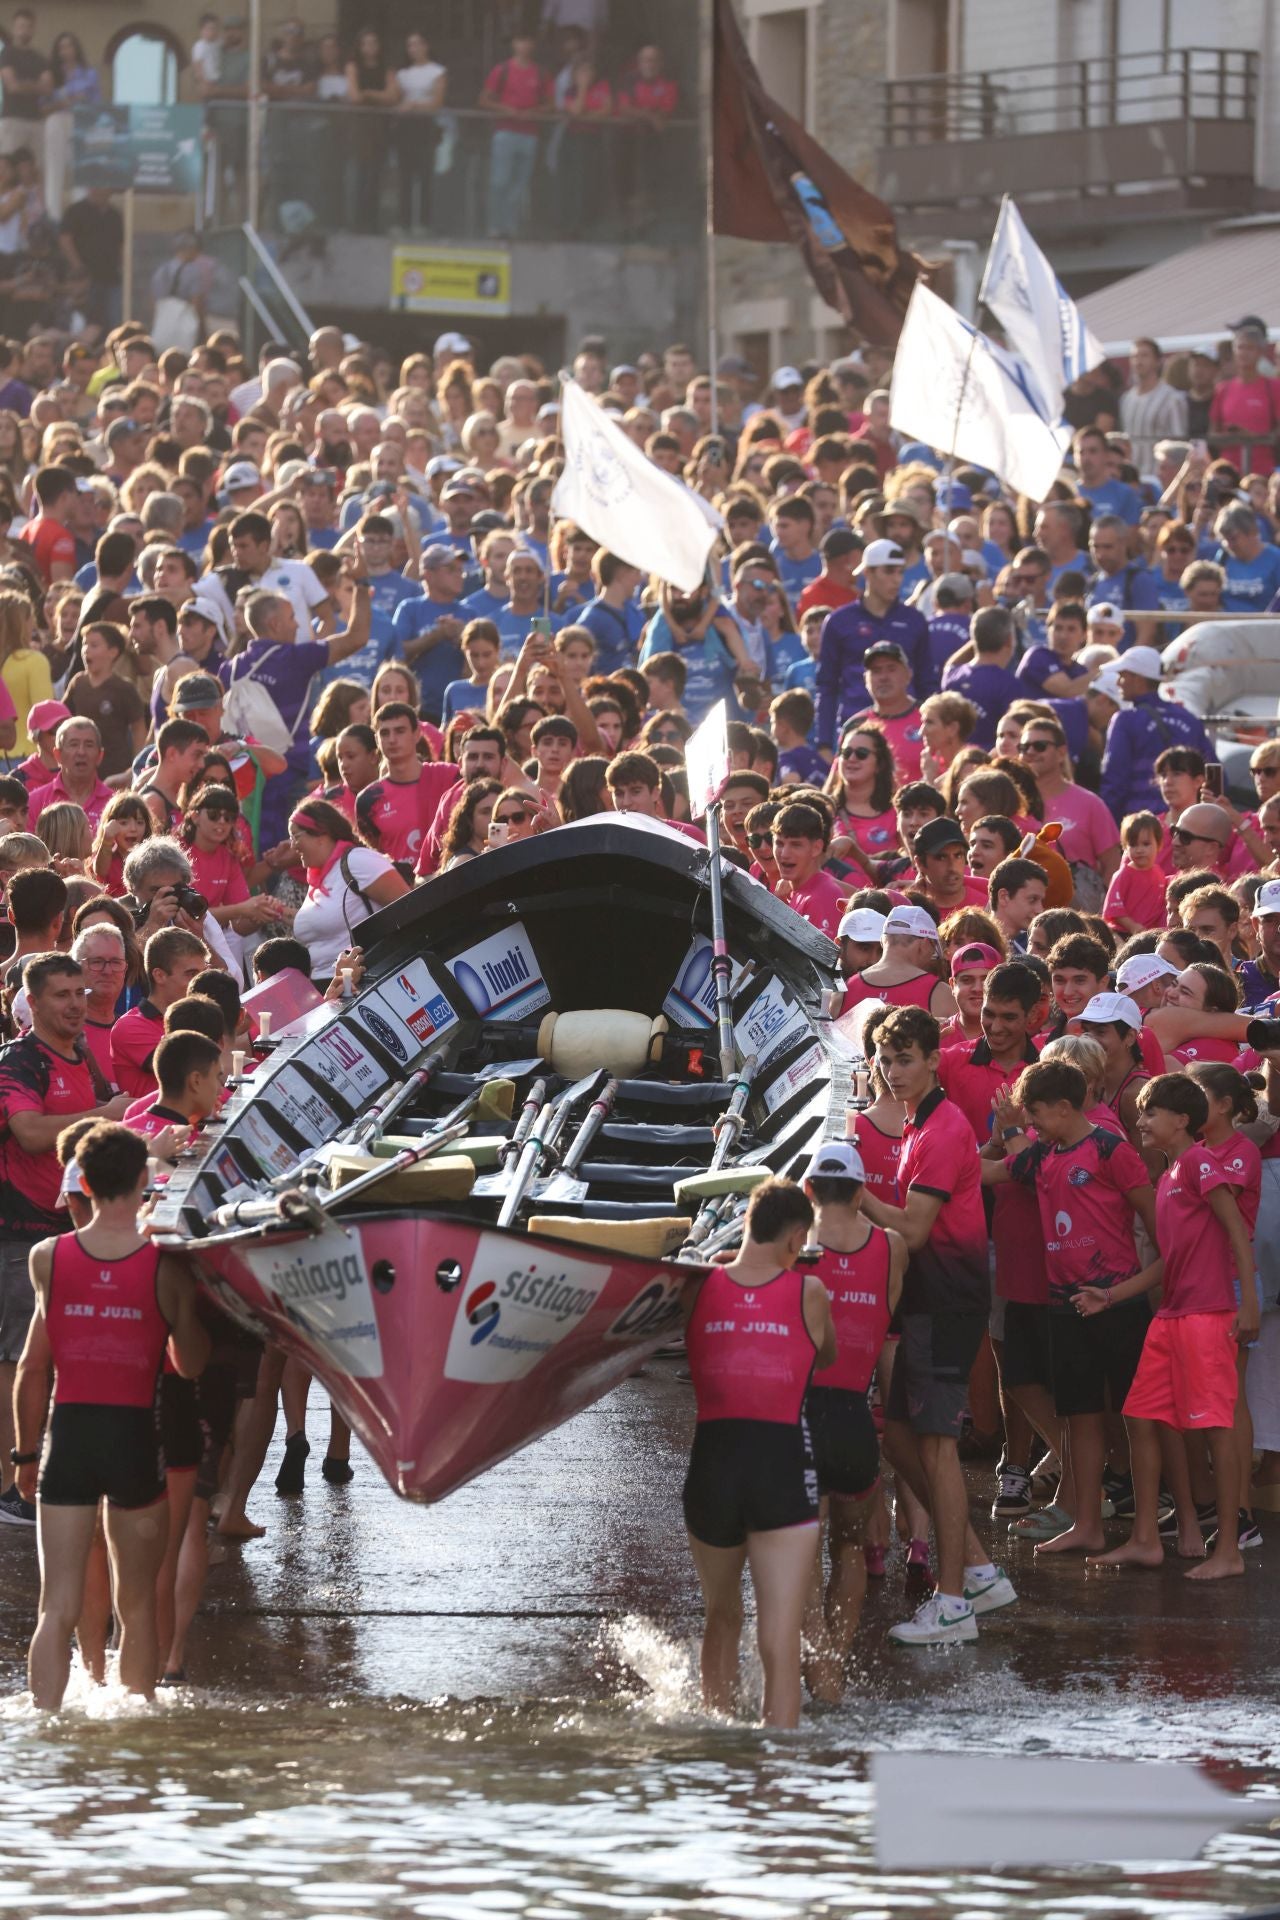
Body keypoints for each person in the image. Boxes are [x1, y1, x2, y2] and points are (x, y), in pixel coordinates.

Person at [12, 1121, 209, 1709]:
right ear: (145, 1179)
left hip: (67, 1439)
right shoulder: (164, 1266)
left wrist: (24, 1455)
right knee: (139, 1601)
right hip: (132, 1440)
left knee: (56, 1606)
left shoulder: (48, 1257)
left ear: (85, 1183)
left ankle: (45, 1731)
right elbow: (190, 1363)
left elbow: (30, 1368)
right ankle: (136, 1735)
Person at [857, 1004, 1016, 1642]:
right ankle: (978, 1570)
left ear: (931, 1061)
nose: (893, 1071)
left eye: (904, 1060)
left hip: (947, 1301)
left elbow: (916, 1227)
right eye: (885, 1060)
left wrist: (848, 1193)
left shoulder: (941, 1128)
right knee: (898, 1439)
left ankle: (954, 1605)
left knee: (937, 1449)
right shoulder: (922, 1124)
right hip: (925, 1302)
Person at [1079, 1073, 1258, 1578]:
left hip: (1206, 1316)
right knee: (1141, 1417)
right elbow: (1166, 1262)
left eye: (1150, 1112)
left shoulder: (1201, 1161)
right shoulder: (1170, 1174)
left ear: (1182, 1120)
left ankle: (1229, 1552)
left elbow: (1236, 1232)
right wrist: (1111, 1296)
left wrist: (1247, 1306)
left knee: (1216, 1428)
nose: (1140, 1121)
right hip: (1171, 1316)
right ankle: (1145, 1540)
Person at [679, 1176, 835, 1727]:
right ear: (796, 1239)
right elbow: (828, 1354)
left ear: (746, 1225)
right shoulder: (809, 1293)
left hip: (712, 1469)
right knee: (780, 1637)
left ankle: (717, 1744)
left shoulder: (696, 1286)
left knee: (720, 1618)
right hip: (780, 1469)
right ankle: (778, 1777)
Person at [992, 1056, 1158, 1556]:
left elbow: (1159, 1229)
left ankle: (1147, 1534)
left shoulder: (1112, 1149)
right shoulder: (1041, 1154)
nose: (1032, 1124)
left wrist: (1130, 1293)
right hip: (1066, 1306)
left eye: (1036, 1114)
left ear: (1065, 1107)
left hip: (1118, 1304)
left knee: (1137, 1420)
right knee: (1082, 1418)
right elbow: (987, 1171)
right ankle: (1087, 1525)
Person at [0, 952, 130, 1523]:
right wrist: (106, 1115)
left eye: (80, 992)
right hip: (16, 1234)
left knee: (47, 1360)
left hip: (65, 1231)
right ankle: (9, 1488)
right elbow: (28, 1133)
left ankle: (33, 1477)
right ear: (32, 1003)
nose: (77, 1004)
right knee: (14, 1360)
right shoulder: (18, 1061)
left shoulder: (81, 1056)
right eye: (62, 995)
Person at [798, 1139, 903, 1702]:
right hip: (856, 1421)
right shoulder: (892, 1247)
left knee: (802, 1552)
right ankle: (834, 1665)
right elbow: (886, 1337)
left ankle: (816, 1663)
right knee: (850, 1548)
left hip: (800, 1417)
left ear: (809, 1189)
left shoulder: (795, 1248)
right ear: (862, 1193)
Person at [815, 540, 933, 755]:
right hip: (856, 727)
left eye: (900, 572)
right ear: (867, 572)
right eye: (889, 572)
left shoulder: (915, 620)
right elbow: (827, 685)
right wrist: (823, 743)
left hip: (908, 731)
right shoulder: (838, 621)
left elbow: (926, 682)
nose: (896, 580)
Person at [290, 801, 410, 982]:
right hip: (328, 987)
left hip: (366, 981)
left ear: (321, 833)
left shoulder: (357, 860)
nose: (293, 846)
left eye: (296, 836)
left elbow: (408, 908)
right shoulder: (318, 878)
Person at [1099, 647, 1212, 820]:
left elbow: (1115, 782)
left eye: (1123, 676)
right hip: (1186, 827)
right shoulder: (1189, 719)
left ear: (1138, 679)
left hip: (1141, 828)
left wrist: (1108, 828)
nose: (1118, 683)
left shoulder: (1126, 719)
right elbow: (1213, 775)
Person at [356, 701, 459, 871]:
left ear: (417, 734)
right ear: (376, 739)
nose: (392, 740)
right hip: (400, 892)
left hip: (449, 882)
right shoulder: (368, 800)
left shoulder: (450, 776)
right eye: (384, 733)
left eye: (400, 731)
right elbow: (373, 858)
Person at [110, 927, 208, 1098]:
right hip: (155, 1124)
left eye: (203, 973)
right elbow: (189, 1072)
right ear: (159, 975)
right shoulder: (130, 1026)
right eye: (191, 974)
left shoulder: (199, 1018)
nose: (200, 982)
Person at [771, 801, 846, 938]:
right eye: (779, 843)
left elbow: (825, 958)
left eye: (796, 845)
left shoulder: (825, 896)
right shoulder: (792, 892)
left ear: (816, 848)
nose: (784, 854)